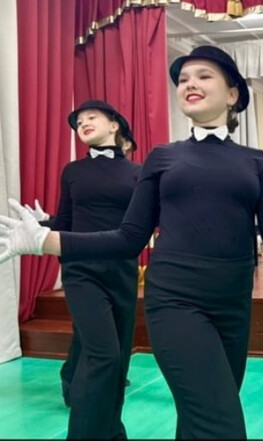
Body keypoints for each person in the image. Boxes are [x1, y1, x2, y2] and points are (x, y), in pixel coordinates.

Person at [0, 45, 263, 439]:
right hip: (175, 302)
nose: (190, 83)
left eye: (203, 76)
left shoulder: (256, 161)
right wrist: (46, 240)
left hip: (233, 305)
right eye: (184, 79)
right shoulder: (162, 158)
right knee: (220, 425)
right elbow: (128, 238)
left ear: (233, 94)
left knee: (197, 420)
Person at [22, 100, 142, 438]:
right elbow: (67, 222)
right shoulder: (73, 171)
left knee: (119, 360)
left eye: (91, 117)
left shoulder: (138, 173)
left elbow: (140, 226)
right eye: (78, 122)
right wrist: (44, 223)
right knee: (104, 355)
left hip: (122, 271)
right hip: (82, 271)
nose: (82, 123)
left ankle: (112, 431)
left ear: (114, 125)